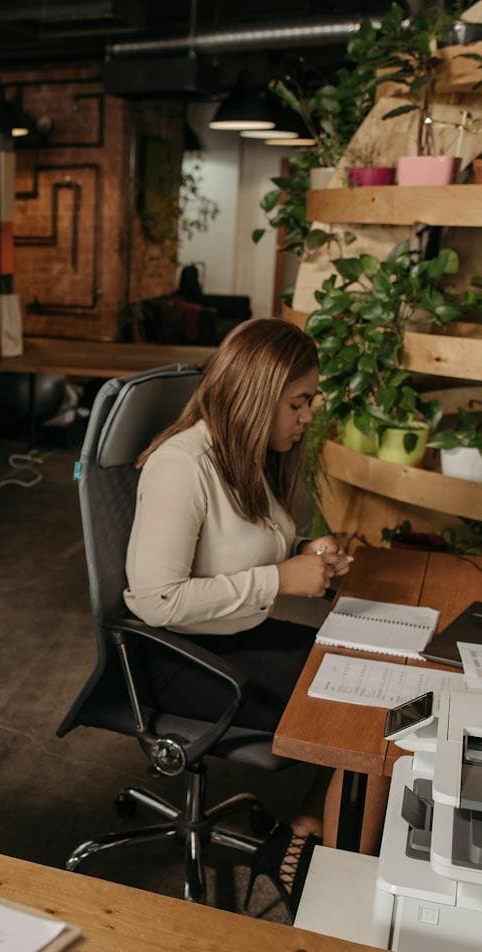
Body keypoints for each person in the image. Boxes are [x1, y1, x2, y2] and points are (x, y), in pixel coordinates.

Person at [123, 318, 350, 849]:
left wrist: (302, 554)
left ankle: (315, 832)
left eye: (309, 401)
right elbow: (157, 601)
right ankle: (307, 843)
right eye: (297, 402)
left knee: (363, 677)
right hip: (182, 657)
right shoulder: (182, 466)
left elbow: (234, 550)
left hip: (232, 635)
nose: (307, 415)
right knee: (353, 712)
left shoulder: (245, 457)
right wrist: (279, 579)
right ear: (256, 395)